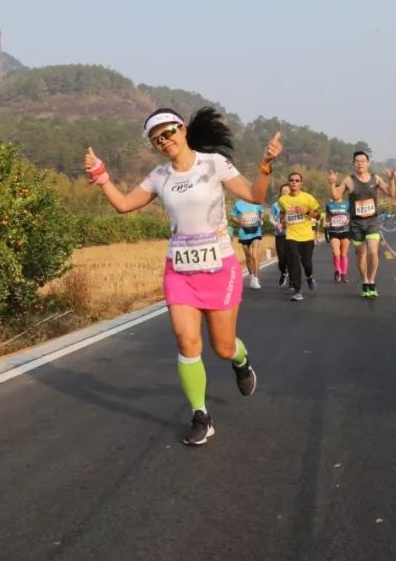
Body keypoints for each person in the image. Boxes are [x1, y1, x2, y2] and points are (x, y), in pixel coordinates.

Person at [84, 107, 281, 446]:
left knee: (222, 347)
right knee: (186, 341)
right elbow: (125, 204)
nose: (165, 141)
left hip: (218, 268)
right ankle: (201, 415)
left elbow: (255, 196)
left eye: (169, 132)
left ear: (183, 129)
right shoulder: (159, 176)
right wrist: (102, 177)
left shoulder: (213, 164)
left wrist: (265, 166)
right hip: (180, 272)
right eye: (157, 138)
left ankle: (241, 360)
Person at [329, 152, 396, 299]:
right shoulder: (349, 180)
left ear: (368, 163)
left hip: (372, 221)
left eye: (363, 161)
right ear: (354, 164)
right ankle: (365, 281)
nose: (360, 163)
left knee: (373, 252)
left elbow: (390, 193)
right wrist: (331, 183)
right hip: (356, 223)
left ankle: (372, 282)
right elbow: (336, 196)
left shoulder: (376, 178)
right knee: (361, 255)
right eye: (357, 161)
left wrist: (391, 180)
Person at [278, 173, 321, 301]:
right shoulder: (283, 200)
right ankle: (297, 290)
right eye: (291, 180)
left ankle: (309, 277)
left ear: (301, 183)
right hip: (291, 236)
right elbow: (282, 213)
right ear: (288, 182)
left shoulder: (308, 198)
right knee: (294, 262)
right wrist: (283, 220)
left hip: (307, 236)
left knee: (307, 263)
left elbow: (319, 216)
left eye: (297, 180)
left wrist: (306, 212)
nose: (294, 182)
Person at [230, 198, 264, 290]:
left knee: (254, 256)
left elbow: (261, 214)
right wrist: (239, 221)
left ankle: (256, 279)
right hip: (244, 233)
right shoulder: (238, 203)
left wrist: (261, 219)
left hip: (256, 232)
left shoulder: (256, 202)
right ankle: (252, 276)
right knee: (248, 256)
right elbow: (232, 216)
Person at [268, 183, 291, 288]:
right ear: (281, 192)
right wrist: (276, 224)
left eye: (287, 190)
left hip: (293, 234)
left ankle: (293, 280)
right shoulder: (275, 205)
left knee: (292, 257)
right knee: (281, 258)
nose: (286, 192)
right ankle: (283, 272)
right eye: (284, 190)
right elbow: (271, 218)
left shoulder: (294, 203)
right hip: (280, 234)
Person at [325, 194, 352, 282]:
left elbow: (352, 215)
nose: (335, 193)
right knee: (336, 254)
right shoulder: (328, 204)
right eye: (333, 191)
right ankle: (338, 271)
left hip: (345, 231)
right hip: (333, 232)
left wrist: (349, 220)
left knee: (343, 254)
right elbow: (327, 217)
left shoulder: (347, 203)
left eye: (338, 191)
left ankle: (344, 274)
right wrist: (327, 222)